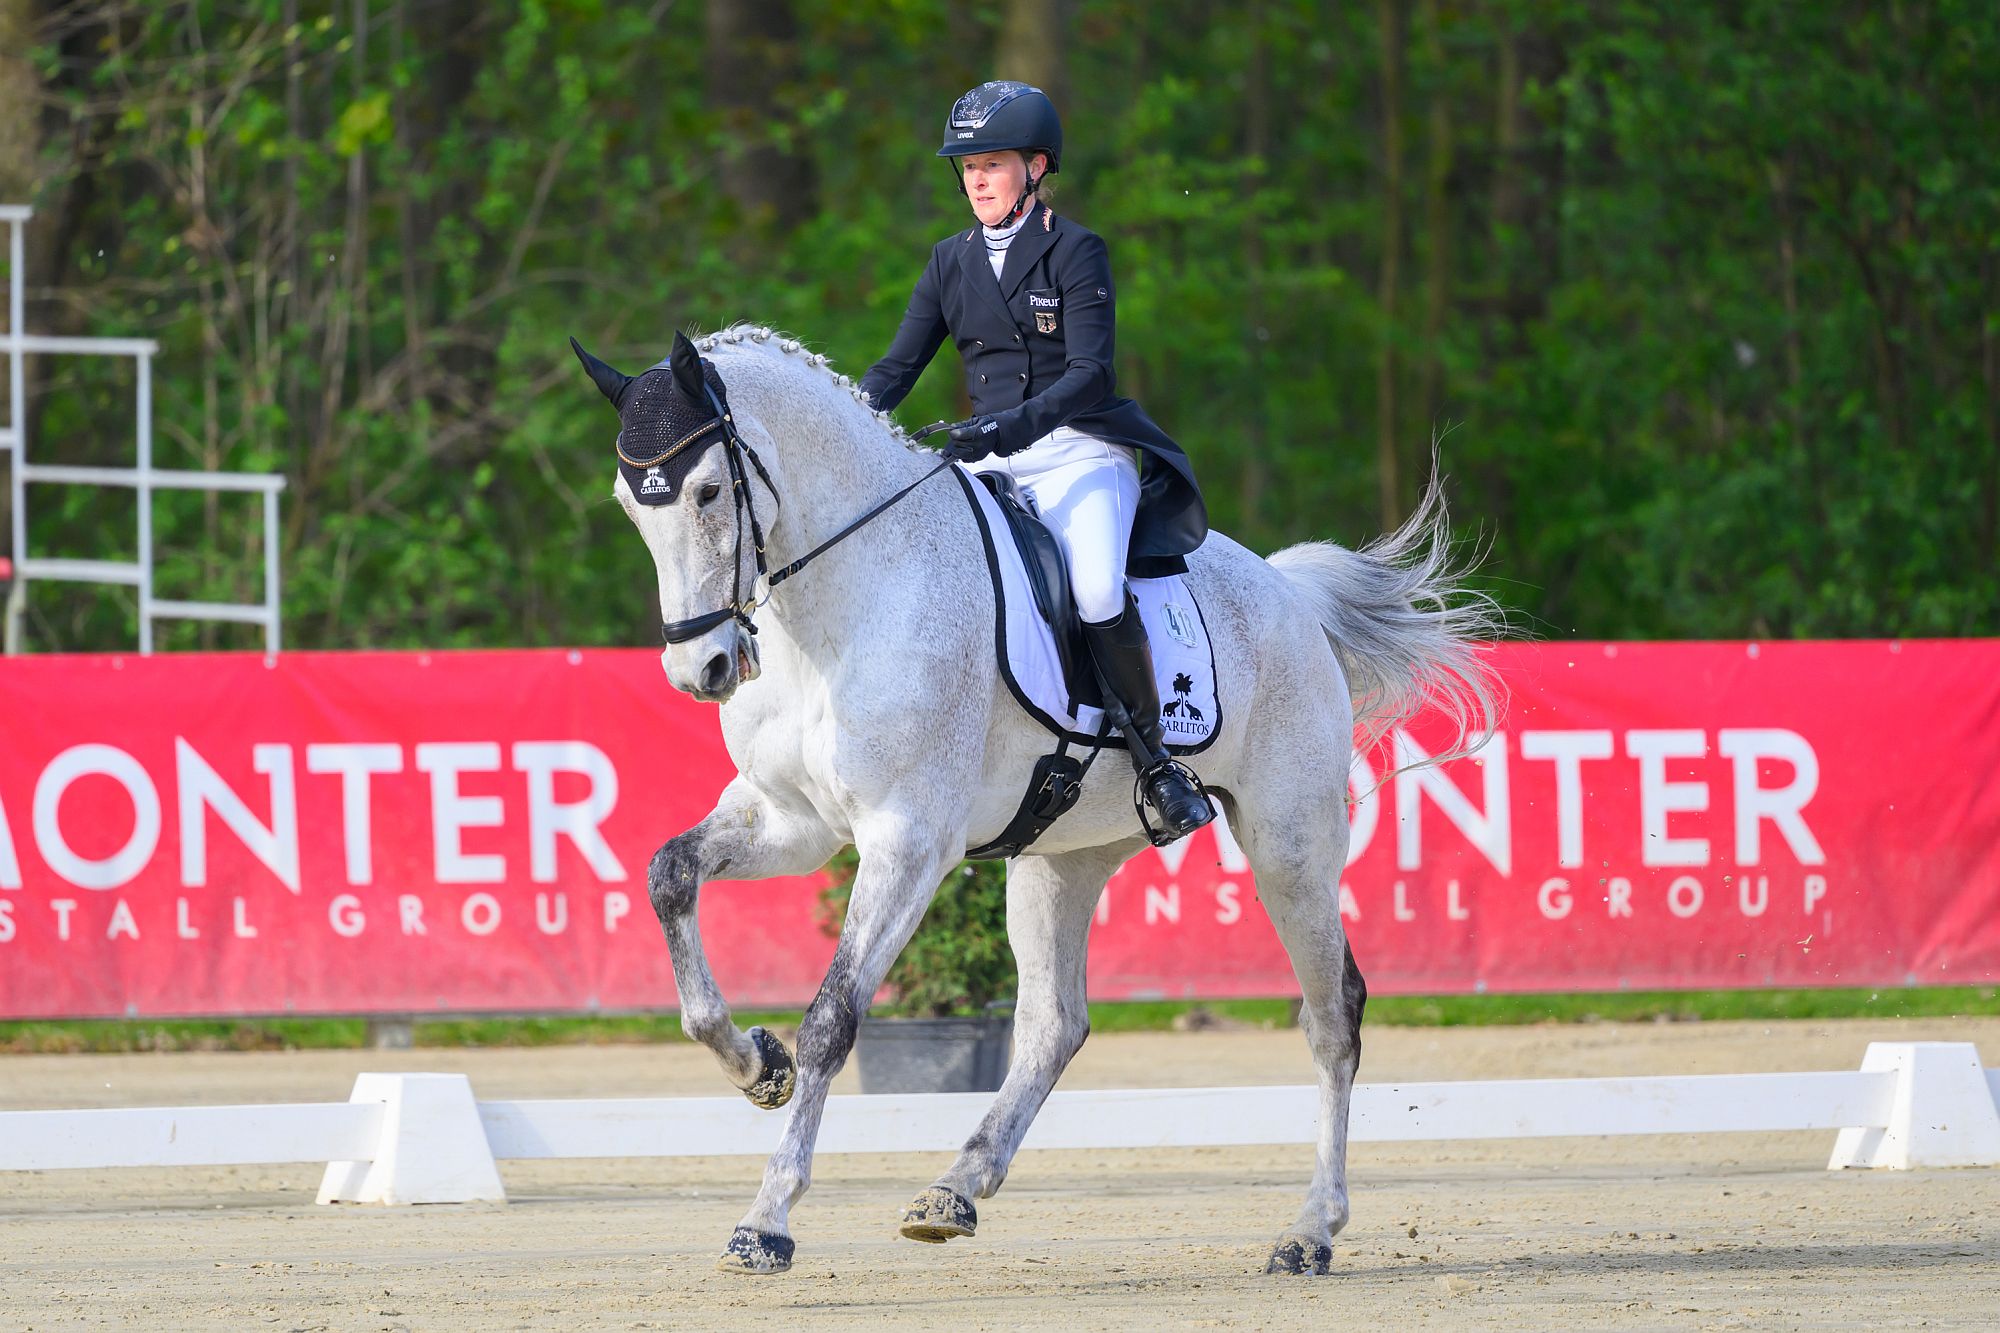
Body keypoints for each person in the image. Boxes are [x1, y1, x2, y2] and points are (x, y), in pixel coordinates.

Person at [860, 80, 1214, 842]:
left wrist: (1005, 429)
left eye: (991, 162)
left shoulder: (1075, 249)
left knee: (1092, 589)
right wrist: (843, 425)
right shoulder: (948, 262)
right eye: (966, 166)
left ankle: (1157, 764)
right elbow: (895, 371)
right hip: (993, 460)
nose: (975, 179)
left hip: (1079, 450)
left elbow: (1091, 372)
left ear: (1036, 166)